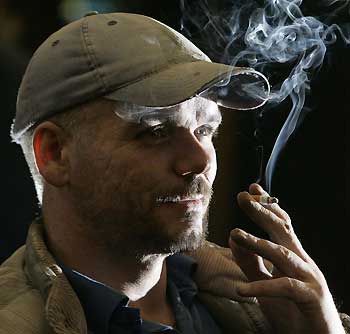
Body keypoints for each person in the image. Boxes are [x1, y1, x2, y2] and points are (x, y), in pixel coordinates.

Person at [1, 11, 349, 334]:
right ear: (55, 153)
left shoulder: (266, 304)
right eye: (154, 131)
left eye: (205, 131)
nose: (199, 162)